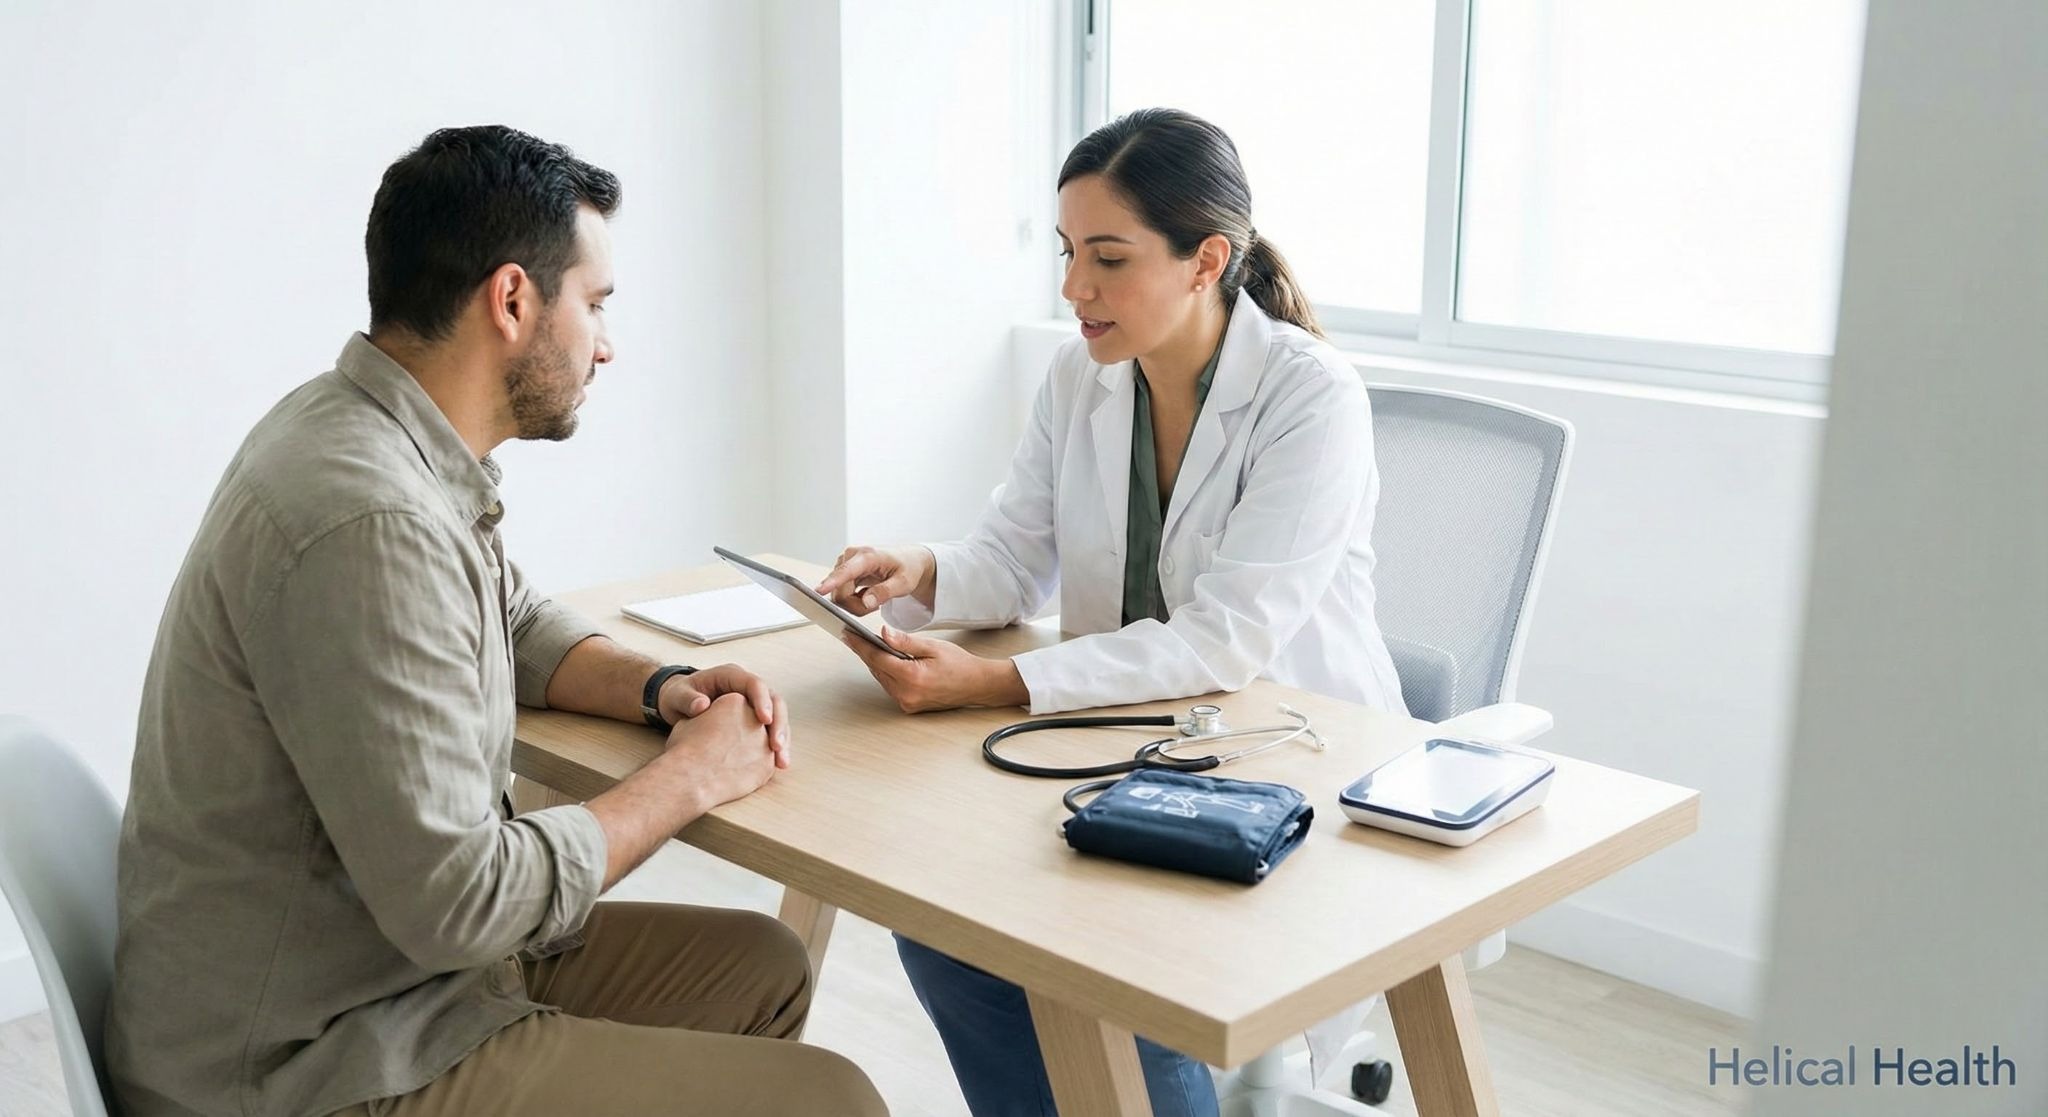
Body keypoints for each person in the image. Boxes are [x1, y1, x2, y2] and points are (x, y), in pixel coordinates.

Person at [106, 125, 887, 1117]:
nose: (607, 343)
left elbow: (507, 614)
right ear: (513, 299)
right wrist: (691, 774)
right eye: (594, 305)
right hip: (307, 1059)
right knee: (832, 1101)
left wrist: (662, 689)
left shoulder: (366, 434)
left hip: (378, 978)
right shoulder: (367, 517)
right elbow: (464, 903)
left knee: (763, 964)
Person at [816, 108, 1406, 1116]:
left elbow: (1226, 639)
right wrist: (915, 567)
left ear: (1203, 259)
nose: (1071, 288)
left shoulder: (1311, 399)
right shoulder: (1079, 376)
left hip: (1286, 758)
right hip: (1119, 746)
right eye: (1064, 253)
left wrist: (997, 679)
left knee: (1096, 971)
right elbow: (1012, 556)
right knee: (945, 923)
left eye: (1106, 257)